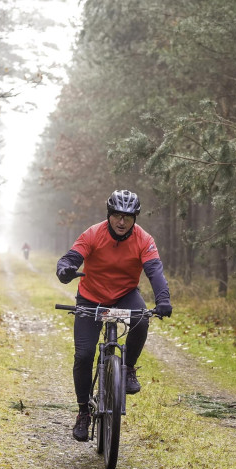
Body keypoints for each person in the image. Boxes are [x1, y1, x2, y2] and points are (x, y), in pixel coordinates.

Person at [56, 189, 173, 442]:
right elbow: (71, 258)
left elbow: (155, 272)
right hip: (91, 296)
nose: (122, 222)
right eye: (117, 216)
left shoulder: (144, 239)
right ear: (109, 215)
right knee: (84, 354)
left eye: (128, 217)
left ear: (135, 219)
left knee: (142, 317)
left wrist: (163, 299)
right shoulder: (93, 234)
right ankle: (83, 412)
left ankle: (128, 368)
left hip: (124, 294)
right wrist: (65, 270)